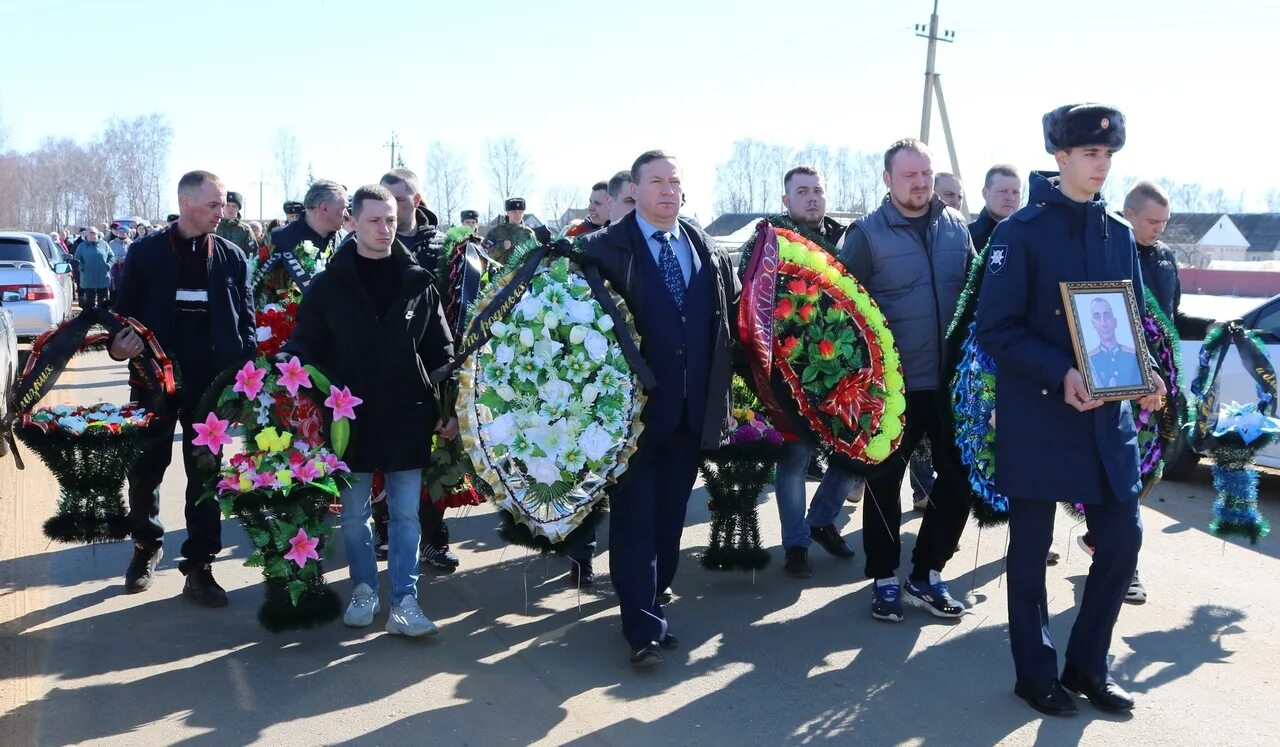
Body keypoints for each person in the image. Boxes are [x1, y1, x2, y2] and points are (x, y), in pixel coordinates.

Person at [975, 103, 1165, 717]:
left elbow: (1126, 316)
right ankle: (1035, 674)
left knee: (1122, 541)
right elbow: (995, 329)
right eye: (1090, 154)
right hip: (1040, 416)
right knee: (1029, 556)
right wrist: (1060, 372)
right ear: (1060, 157)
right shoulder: (1020, 232)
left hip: (1105, 422)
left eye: (1108, 155)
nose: (1101, 165)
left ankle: (1087, 664)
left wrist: (1145, 369)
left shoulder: (1116, 232)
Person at [579, 150, 741, 667]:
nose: (669, 190)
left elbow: (727, 323)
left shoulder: (703, 245)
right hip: (633, 416)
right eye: (657, 182)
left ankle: (652, 596)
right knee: (634, 518)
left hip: (691, 411)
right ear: (636, 188)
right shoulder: (605, 249)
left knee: (671, 515)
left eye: (675, 181)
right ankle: (641, 628)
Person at [286, 184, 455, 637]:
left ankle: (405, 600)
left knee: (404, 514)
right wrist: (290, 365)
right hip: (348, 417)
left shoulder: (418, 281)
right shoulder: (328, 285)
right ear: (353, 222)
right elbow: (305, 341)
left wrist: (449, 406)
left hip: (407, 412)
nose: (385, 228)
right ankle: (364, 588)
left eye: (392, 220)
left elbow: (441, 349)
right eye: (375, 220)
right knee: (354, 513)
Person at [839, 138, 973, 623]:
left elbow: (972, 301)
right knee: (883, 484)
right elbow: (842, 314)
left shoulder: (958, 229)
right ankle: (885, 578)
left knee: (960, 479)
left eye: (925, 174)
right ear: (888, 179)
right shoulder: (867, 235)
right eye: (909, 175)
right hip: (891, 387)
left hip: (949, 385)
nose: (919, 183)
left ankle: (927, 572)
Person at [110, 170, 256, 607]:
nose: (222, 211)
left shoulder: (231, 256)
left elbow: (245, 324)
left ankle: (200, 566)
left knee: (206, 474)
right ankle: (145, 546)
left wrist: (243, 379)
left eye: (224, 203)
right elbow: (120, 318)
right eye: (214, 204)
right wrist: (120, 346)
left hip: (209, 386)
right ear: (187, 203)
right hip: (153, 381)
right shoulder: (145, 253)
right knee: (146, 469)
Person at [1076, 181, 1217, 603]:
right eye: (1152, 221)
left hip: (1160, 382)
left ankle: (1104, 542)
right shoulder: (1107, 252)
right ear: (1129, 214)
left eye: (1165, 222)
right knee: (1120, 473)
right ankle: (1122, 563)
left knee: (1144, 472)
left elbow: (1170, 316)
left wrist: (1214, 328)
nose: (1159, 229)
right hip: (1116, 377)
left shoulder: (1165, 259)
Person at [751, 165, 862, 578]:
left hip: (842, 369)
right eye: (802, 192)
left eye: (817, 190)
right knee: (796, 459)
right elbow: (755, 309)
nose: (812, 198)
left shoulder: (847, 240)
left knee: (853, 449)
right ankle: (795, 543)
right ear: (786, 200)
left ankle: (822, 518)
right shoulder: (767, 243)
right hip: (788, 373)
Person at [375, 168, 456, 573]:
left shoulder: (444, 248)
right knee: (381, 453)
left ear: (417, 201)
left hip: (431, 368)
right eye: (385, 202)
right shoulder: (368, 242)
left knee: (434, 458)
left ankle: (434, 539)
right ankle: (384, 529)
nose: (392, 210)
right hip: (380, 370)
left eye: (401, 201)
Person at [380, 168, 442, 268]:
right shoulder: (366, 243)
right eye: (384, 200)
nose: (390, 207)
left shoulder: (442, 246)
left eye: (398, 200)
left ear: (416, 200)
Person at [1086, 296, 1141, 388]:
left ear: (1115, 321)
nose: (1103, 323)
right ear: (1093, 323)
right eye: (1097, 317)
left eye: (1107, 316)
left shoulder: (1133, 354)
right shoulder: (1089, 359)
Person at [969, 165, 1023, 252]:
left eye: (1015, 192)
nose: (1011, 198)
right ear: (985, 193)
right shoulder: (968, 236)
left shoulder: (1029, 234)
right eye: (1003, 191)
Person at [484, 198, 540, 262]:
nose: (517, 215)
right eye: (514, 212)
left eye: (520, 212)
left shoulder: (529, 233)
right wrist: (502, 247)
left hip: (523, 271)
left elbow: (535, 257)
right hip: (499, 271)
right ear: (508, 213)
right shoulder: (495, 232)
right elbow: (485, 256)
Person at [73, 227, 114, 309]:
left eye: (94, 234)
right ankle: (90, 318)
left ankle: (102, 317)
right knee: (90, 301)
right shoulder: (82, 246)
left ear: (97, 234)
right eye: (90, 234)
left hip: (102, 276)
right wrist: (82, 267)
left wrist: (108, 265)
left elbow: (111, 256)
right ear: (86, 235)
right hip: (88, 277)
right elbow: (77, 259)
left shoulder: (104, 244)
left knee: (102, 301)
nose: (92, 236)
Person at [215, 190, 259, 255]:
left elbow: (252, 253)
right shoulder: (214, 225)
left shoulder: (245, 229)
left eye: (234, 206)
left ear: (238, 208)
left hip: (237, 264)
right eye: (228, 205)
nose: (231, 209)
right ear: (223, 206)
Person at [107, 224, 131, 303]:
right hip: (115, 269)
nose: (121, 233)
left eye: (124, 232)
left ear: (127, 233)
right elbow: (109, 255)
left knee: (125, 288)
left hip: (127, 268)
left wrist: (124, 259)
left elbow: (132, 255)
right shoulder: (112, 243)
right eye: (120, 231)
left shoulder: (131, 244)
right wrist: (117, 259)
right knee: (114, 288)